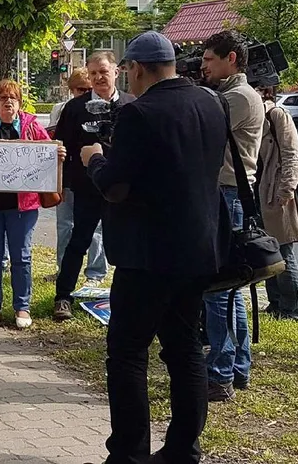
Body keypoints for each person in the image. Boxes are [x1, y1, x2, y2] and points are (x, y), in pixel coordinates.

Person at [78, 31, 230, 464]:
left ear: (138, 69)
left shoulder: (140, 114)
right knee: (184, 351)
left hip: (147, 254)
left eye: (127, 70)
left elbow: (115, 186)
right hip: (198, 248)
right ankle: (184, 449)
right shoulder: (210, 102)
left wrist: (95, 159)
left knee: (127, 353)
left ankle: (129, 455)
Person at [0, 80, 65, 330]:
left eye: (13, 98)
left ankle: (22, 307)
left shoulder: (30, 125)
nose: (8, 102)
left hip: (23, 205)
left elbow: (47, 154)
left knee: (22, 257)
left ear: (20, 102)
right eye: (3, 98)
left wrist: (57, 155)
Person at [199, 30, 265, 402]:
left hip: (227, 194)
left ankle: (221, 373)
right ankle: (236, 368)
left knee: (217, 290)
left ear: (232, 59)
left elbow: (202, 133)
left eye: (210, 60)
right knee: (229, 290)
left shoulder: (237, 98)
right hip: (226, 194)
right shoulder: (232, 95)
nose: (204, 66)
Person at [53, 52, 133, 320]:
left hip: (123, 191)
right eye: (94, 73)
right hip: (87, 188)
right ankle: (63, 297)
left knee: (124, 245)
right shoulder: (75, 108)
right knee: (78, 241)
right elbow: (61, 146)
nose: (99, 77)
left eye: (104, 72)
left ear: (116, 72)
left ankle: (127, 301)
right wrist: (62, 183)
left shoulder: (132, 105)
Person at [258, 86, 298, 320]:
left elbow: (292, 154)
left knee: (283, 251)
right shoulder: (255, 117)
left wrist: (286, 188)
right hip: (260, 191)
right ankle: (275, 303)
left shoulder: (276, 115)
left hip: (277, 191)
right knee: (267, 251)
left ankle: (290, 310)